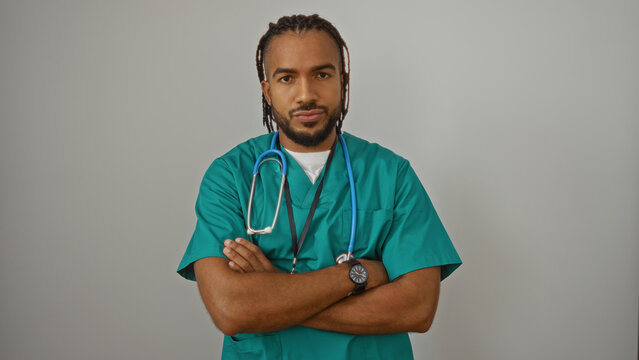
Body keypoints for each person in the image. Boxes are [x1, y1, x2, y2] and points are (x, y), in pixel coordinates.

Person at [177, 14, 462, 360]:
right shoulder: (230, 177)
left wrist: (274, 296)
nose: (306, 94)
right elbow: (232, 310)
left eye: (322, 74)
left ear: (343, 81)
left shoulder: (392, 174)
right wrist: (356, 276)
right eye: (286, 78)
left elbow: (416, 309)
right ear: (267, 91)